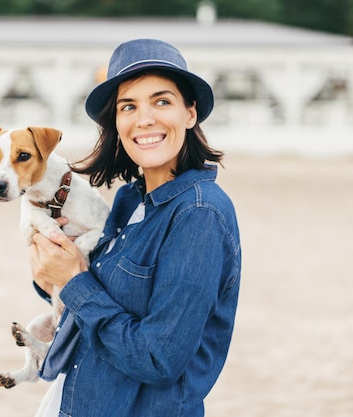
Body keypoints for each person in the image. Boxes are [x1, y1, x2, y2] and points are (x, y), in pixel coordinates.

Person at [29, 38, 242, 417]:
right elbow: (94, 310)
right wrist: (56, 268)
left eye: (162, 101)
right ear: (116, 121)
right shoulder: (129, 200)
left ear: (190, 113)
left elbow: (158, 358)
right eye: (129, 106)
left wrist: (76, 281)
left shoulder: (199, 214)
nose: (144, 119)